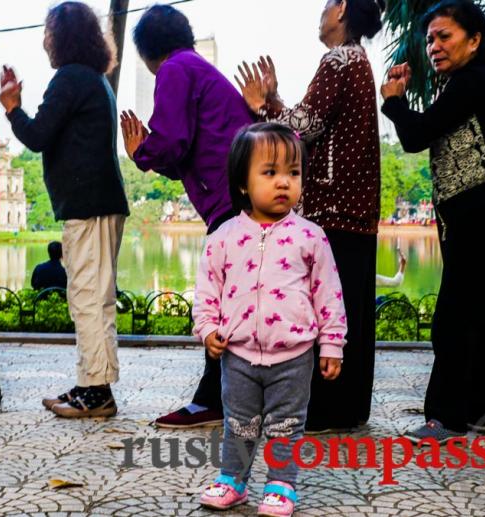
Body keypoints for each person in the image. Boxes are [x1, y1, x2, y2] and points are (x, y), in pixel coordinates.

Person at [236, 0, 384, 434]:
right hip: (354, 209)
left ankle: (328, 410)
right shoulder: (357, 61)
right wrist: (276, 99)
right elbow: (312, 120)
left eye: (326, 5)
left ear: (341, 9)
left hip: (334, 207)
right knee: (351, 307)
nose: (321, 13)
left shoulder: (338, 60)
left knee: (329, 309)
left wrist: (263, 107)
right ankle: (350, 408)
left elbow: (304, 127)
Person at [381, 0, 485, 443]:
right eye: (430, 40)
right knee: (476, 311)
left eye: (444, 36)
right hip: (479, 213)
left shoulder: (473, 82)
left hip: (482, 213)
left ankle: (445, 418)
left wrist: (394, 102)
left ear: (474, 40)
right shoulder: (469, 83)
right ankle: (482, 413)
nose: (434, 46)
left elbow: (416, 135)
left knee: (454, 314)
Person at [193, 123, 345, 516]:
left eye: (293, 174)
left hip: (294, 355)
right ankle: (233, 480)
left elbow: (328, 293)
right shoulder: (223, 237)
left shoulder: (310, 236)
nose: (284, 183)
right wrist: (208, 329)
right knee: (238, 422)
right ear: (243, 183)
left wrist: (331, 344)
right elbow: (207, 291)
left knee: (286, 425)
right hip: (238, 354)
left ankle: (281, 484)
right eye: (270, 172)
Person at [120, 3, 254, 429]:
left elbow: (173, 143)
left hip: (231, 198)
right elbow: (182, 154)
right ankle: (228, 397)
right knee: (239, 297)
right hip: (240, 193)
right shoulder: (195, 67)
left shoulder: (175, 70)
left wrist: (141, 151)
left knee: (222, 300)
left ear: (145, 52)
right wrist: (151, 152)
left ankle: (211, 401)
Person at [0, 1, 130, 418]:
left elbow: (37, 135)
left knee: (88, 298)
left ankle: (96, 393)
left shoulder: (70, 79)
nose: (44, 40)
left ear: (63, 36)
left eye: (48, 31)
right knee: (94, 297)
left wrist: (12, 107)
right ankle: (91, 383)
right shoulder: (93, 78)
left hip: (89, 205)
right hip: (101, 200)